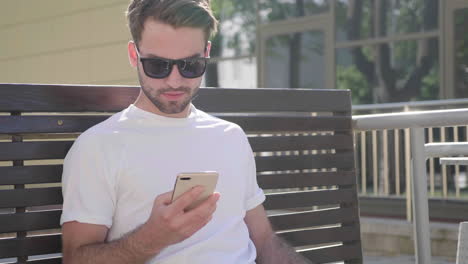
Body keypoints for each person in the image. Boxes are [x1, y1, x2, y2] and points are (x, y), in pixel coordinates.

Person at [60, 0, 312, 263]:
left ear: (206, 53)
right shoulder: (98, 147)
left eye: (191, 65)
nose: (175, 81)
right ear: (134, 56)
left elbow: (264, 241)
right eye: (158, 66)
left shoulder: (231, 136)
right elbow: (76, 258)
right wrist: (152, 238)